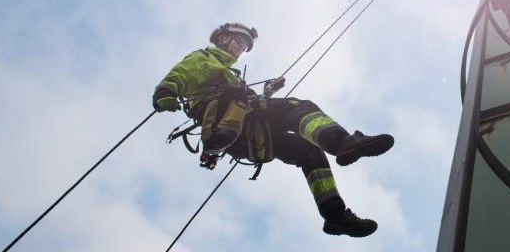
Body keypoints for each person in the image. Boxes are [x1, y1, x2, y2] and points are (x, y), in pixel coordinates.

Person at [151, 22, 394, 237]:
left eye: (243, 46)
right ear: (223, 38)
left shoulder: (232, 77)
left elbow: (248, 105)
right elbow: (183, 73)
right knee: (299, 108)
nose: (239, 49)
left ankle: (335, 216)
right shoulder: (206, 58)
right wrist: (165, 92)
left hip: (242, 133)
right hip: (229, 123)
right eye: (238, 42)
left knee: (309, 152)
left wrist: (267, 93)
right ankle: (341, 142)